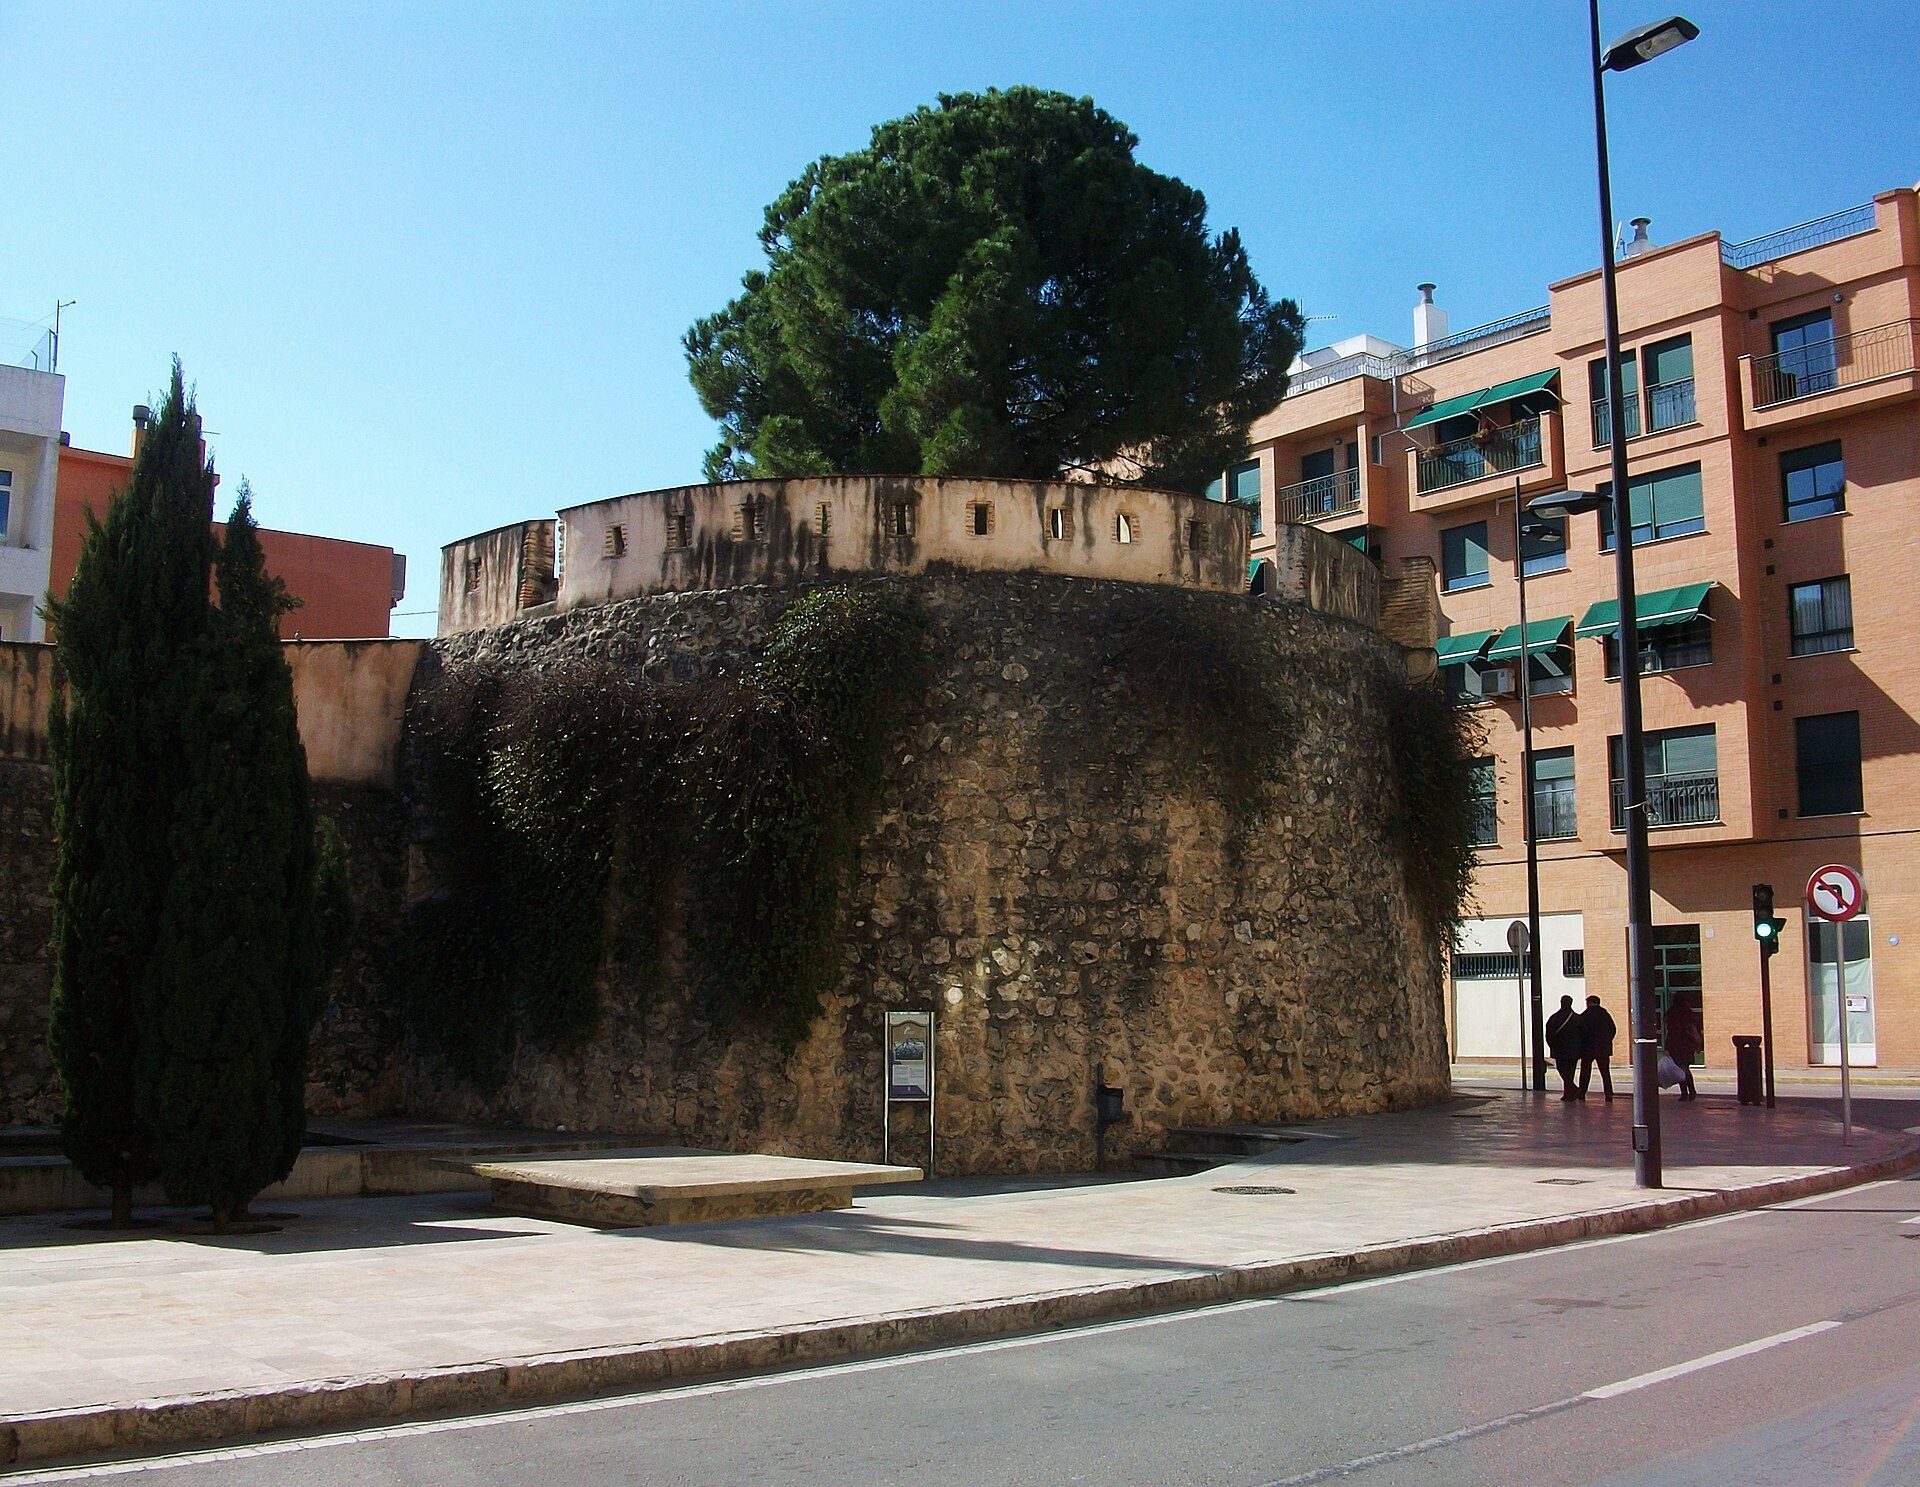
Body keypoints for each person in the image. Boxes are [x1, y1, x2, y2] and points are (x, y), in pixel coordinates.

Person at [1663, 994, 1701, 1101]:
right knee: (1684, 1068)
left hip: (1677, 1046)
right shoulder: (1689, 1014)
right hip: (1687, 1046)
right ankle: (1691, 1091)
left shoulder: (1673, 1015)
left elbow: (1672, 1033)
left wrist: (1667, 1047)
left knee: (1680, 1069)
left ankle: (1685, 1092)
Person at [1578, 995, 1617, 1102]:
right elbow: (1613, 1029)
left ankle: (1582, 1092)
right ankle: (1608, 1093)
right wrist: (1607, 1040)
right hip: (1603, 1048)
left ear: (1589, 1003)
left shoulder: (1585, 1016)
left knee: (1585, 1071)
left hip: (1588, 1048)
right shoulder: (1605, 1015)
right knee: (1605, 1072)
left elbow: (1580, 1032)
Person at [1545, 995, 1582, 1101]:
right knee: (1570, 1071)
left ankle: (1570, 1091)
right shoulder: (1577, 1018)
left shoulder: (1554, 1018)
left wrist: (1552, 1046)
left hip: (1559, 1050)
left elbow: (1549, 1034)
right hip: (1573, 1050)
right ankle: (1571, 1090)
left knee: (1562, 1069)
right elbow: (1584, 1033)